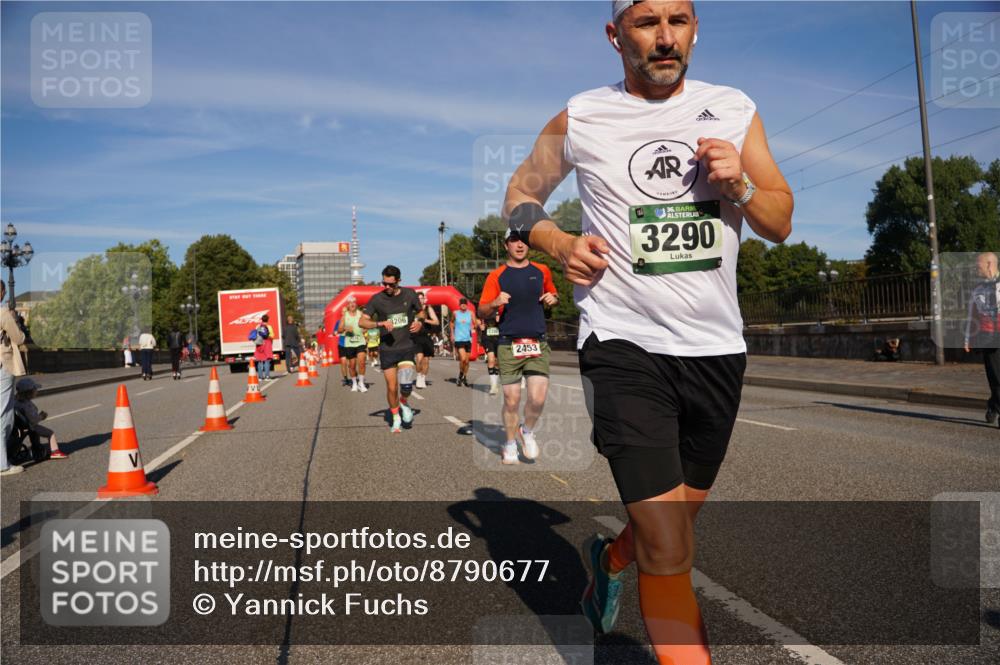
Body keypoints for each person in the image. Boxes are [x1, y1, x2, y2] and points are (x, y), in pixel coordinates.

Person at [502, 1, 794, 660]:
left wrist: (741, 184)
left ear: (695, 29)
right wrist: (553, 237)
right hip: (623, 343)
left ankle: (608, 560)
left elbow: (780, 218)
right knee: (670, 548)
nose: (665, 36)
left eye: (679, 20)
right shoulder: (581, 115)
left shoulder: (733, 108)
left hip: (717, 351)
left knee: (668, 530)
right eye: (645, 22)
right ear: (615, 35)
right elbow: (519, 192)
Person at [479, 229, 559, 463]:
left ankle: (527, 430)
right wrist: (495, 302)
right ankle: (510, 442)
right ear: (506, 246)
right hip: (508, 344)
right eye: (514, 241)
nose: (520, 245)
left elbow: (553, 294)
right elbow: (482, 310)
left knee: (538, 398)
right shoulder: (497, 276)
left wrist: (553, 298)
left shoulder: (541, 271)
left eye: (523, 241)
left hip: (537, 343)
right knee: (512, 400)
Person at [359, 265, 423, 433]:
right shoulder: (376, 299)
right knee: (392, 387)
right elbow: (362, 322)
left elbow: (421, 312)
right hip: (387, 349)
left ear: (398, 281)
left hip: (406, 346)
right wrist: (379, 323)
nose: (386, 287)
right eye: (384, 283)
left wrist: (419, 321)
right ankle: (395, 417)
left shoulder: (410, 294)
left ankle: (404, 402)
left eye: (390, 284)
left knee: (407, 385)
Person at [963, 251, 1000, 427]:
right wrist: (967, 338)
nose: (975, 269)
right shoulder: (977, 290)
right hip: (988, 336)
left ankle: (994, 404)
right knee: (995, 376)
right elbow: (972, 316)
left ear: (989, 265)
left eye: (978, 265)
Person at [1, 281, 27, 476]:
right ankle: (2, 463)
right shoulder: (3, 313)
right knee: (4, 414)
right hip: (3, 365)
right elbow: (18, 338)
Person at [14, 378, 68, 459]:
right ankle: (55, 451)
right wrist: (41, 417)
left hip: (22, 426)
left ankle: (37, 449)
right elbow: (33, 419)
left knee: (35, 437)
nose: (37, 391)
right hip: (31, 426)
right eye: (35, 389)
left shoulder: (16, 401)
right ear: (29, 392)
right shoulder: (26, 405)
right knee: (50, 433)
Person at [337, 296, 369, 392]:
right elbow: (339, 330)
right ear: (348, 305)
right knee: (352, 365)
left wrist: (365, 329)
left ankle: (361, 383)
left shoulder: (361, 314)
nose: (352, 304)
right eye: (350, 303)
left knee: (362, 361)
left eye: (354, 302)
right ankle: (354, 383)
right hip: (349, 344)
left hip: (360, 342)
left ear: (356, 304)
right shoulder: (345, 316)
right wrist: (345, 328)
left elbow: (366, 325)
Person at [413, 291, 440, 388]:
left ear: (424, 299)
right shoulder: (413, 310)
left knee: (426, 361)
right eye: (418, 298)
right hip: (416, 337)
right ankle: (418, 375)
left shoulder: (429, 308)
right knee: (419, 359)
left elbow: (436, 322)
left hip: (426, 337)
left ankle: (422, 378)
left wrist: (425, 320)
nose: (420, 300)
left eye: (422, 298)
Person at [450, 298, 477, 387]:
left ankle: (464, 377)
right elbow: (451, 322)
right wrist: (452, 334)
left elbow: (475, 323)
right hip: (458, 339)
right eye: (461, 304)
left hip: (468, 339)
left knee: (467, 361)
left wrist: (474, 327)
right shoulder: (455, 313)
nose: (463, 305)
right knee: (463, 358)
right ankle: (461, 376)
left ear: (467, 305)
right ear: (459, 305)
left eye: (464, 304)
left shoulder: (470, 313)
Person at [252, 315, 274, 381]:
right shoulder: (269, 327)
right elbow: (272, 336)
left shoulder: (257, 326)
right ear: (268, 320)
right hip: (267, 344)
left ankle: (260, 377)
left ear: (262, 319)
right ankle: (267, 376)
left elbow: (255, 335)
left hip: (259, 345)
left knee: (259, 361)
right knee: (267, 360)